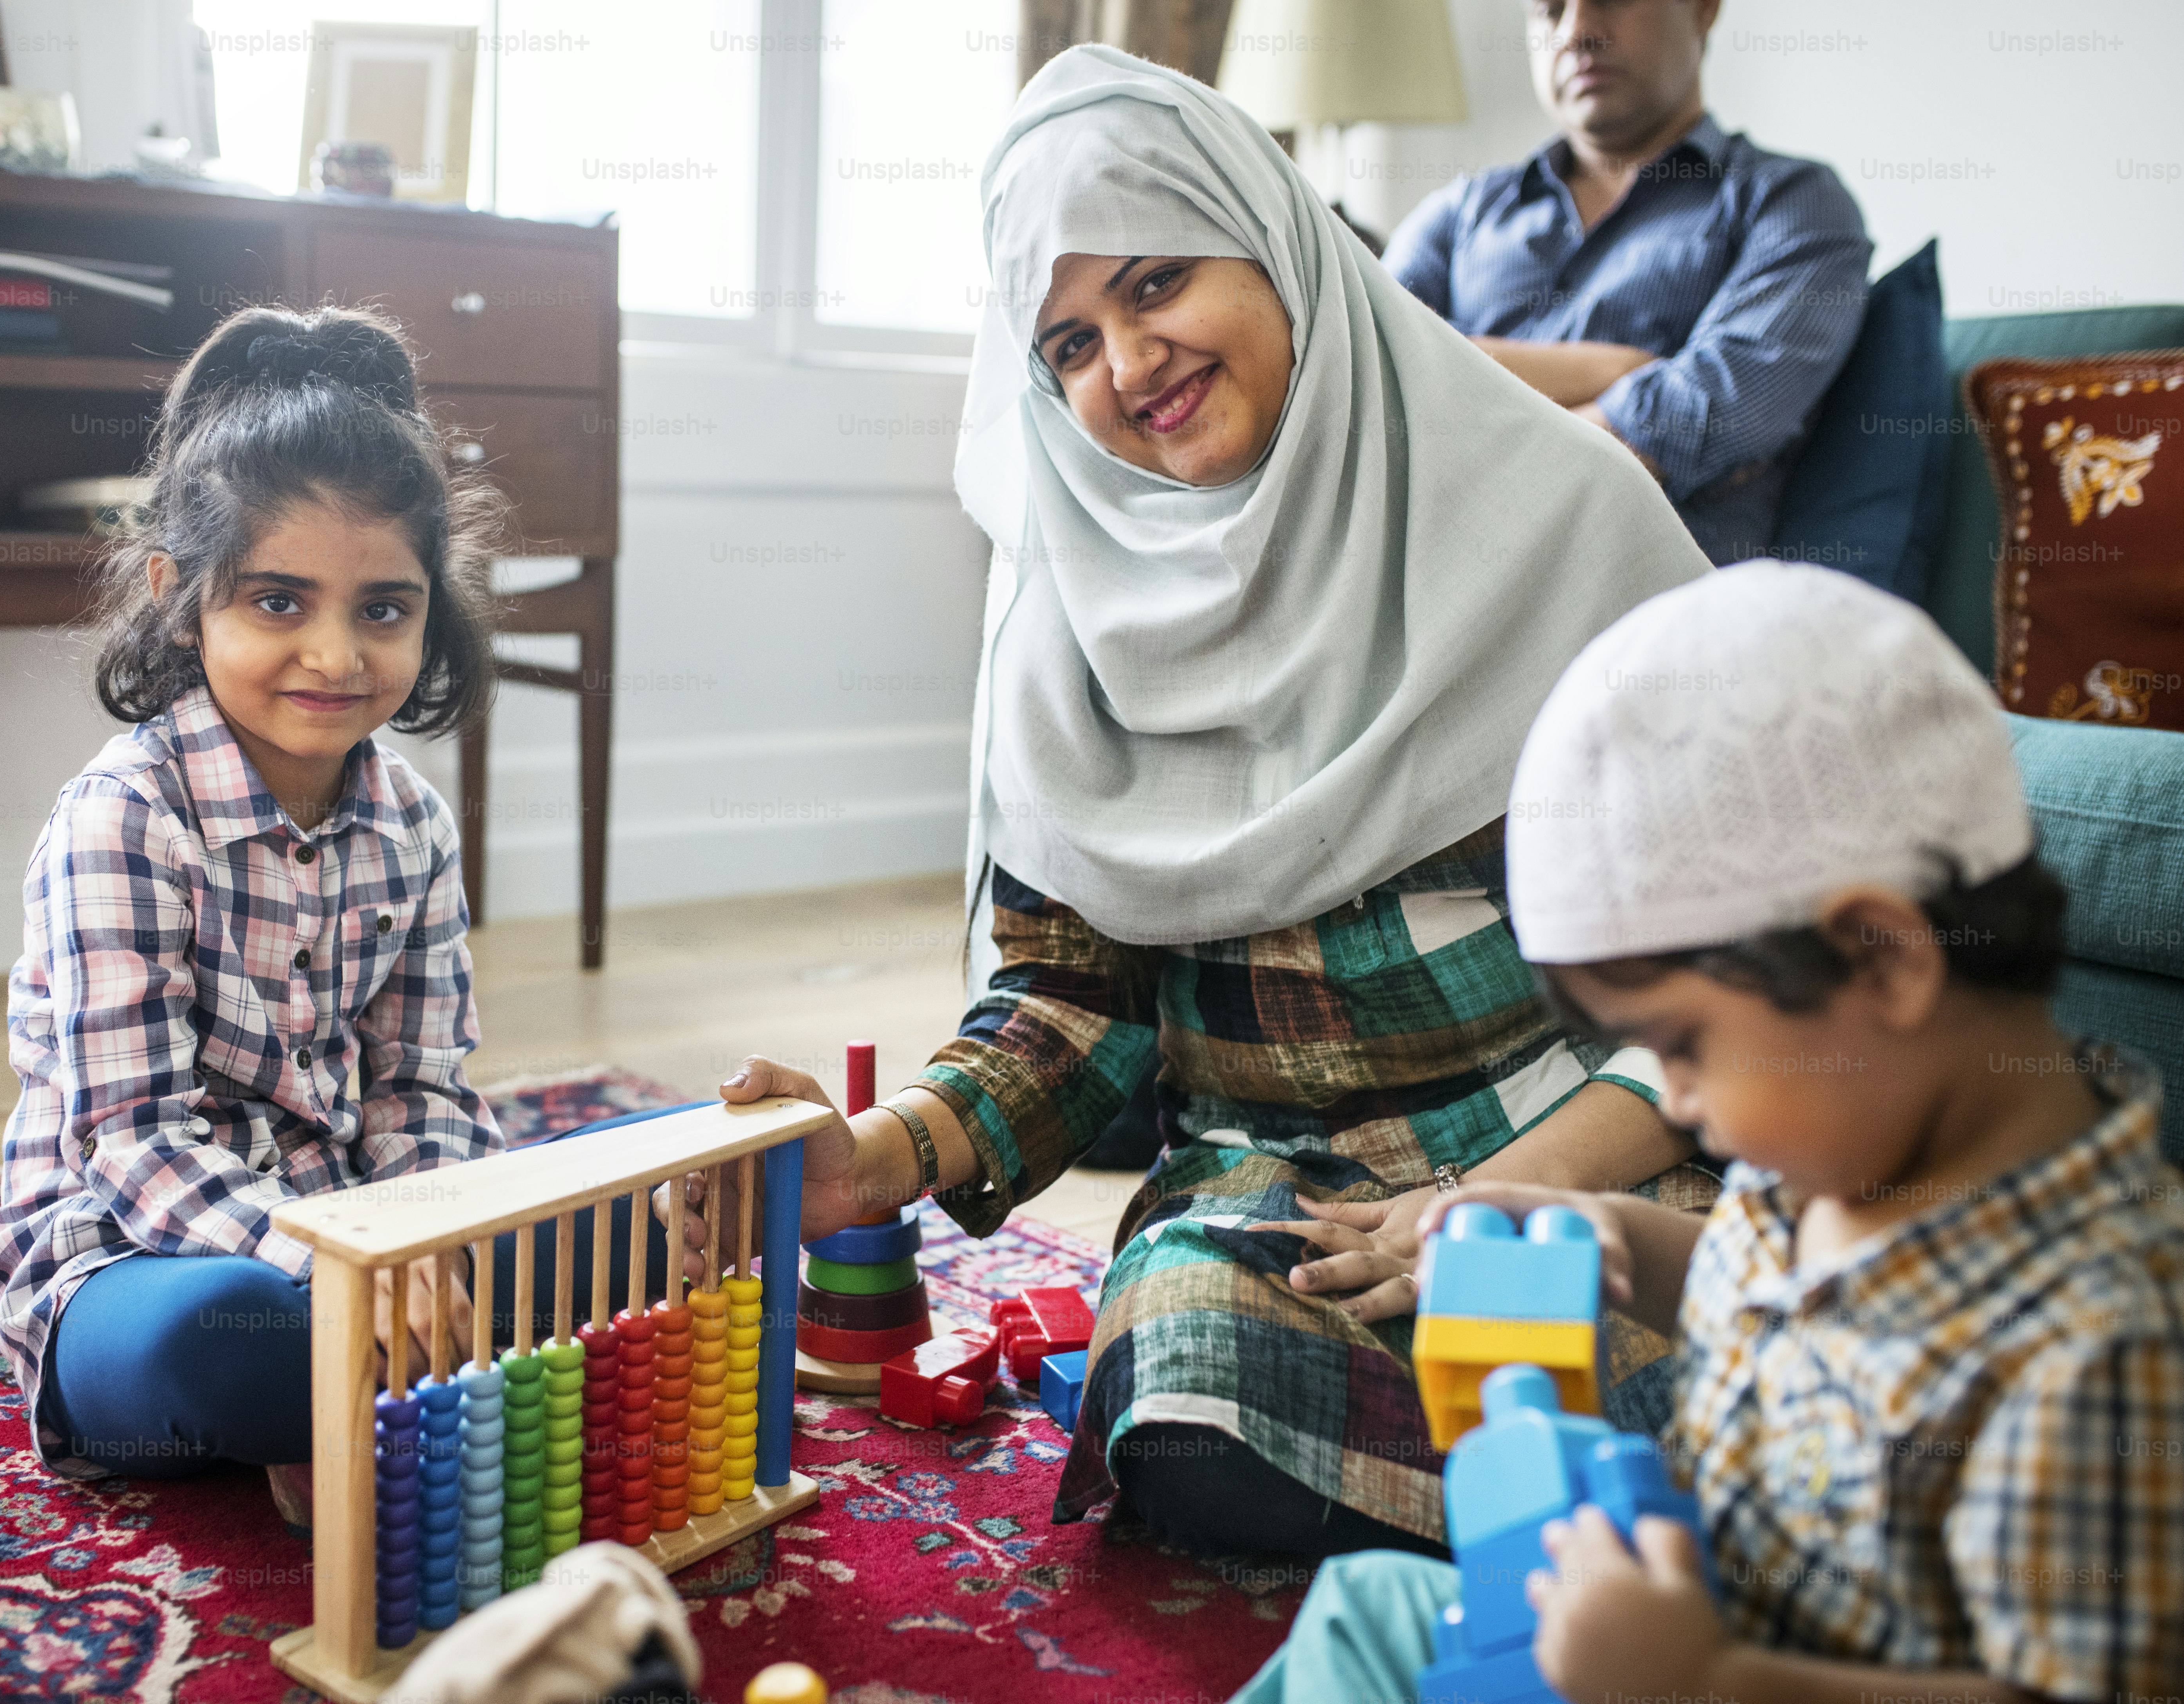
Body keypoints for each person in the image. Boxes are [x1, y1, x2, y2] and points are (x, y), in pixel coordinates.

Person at [722, 44, 1718, 1562]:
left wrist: (1497, 1201)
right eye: (1064, 343)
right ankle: (1611, 1516)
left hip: (1587, 1141)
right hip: (1287, 1187)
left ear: (1277, 241)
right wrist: (876, 1156)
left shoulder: (1568, 520)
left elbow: (1737, 982)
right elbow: (1071, 1006)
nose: (1126, 366)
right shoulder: (1059, 636)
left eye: (1156, 283)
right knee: (1181, 1390)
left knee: (1792, 1294)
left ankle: (1629, 1490)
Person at [1230, 562, 2184, 1700]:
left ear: (1884, 961)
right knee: (1372, 1614)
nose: (1672, 1099)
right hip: (1702, 1612)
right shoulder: (1841, 1148)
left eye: (1682, 1043)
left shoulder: (2093, 1344)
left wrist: (1706, 1678)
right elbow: (1760, 1284)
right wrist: (1608, 1234)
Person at [0, 307, 691, 1519]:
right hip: (148, 1268)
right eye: (275, 601)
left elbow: (422, 1093)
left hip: (378, 1239)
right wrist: (355, 1268)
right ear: (178, 593)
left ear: (430, 611)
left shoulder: (410, 821)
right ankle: (366, 1377)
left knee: (684, 1176)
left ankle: (378, 1381)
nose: (334, 653)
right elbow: (138, 1147)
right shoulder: (123, 819)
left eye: (381, 609)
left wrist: (443, 1237)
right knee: (217, 1342)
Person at [1381, 0, 1871, 565]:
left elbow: (1695, 417)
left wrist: (1451, 395)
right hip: (1427, 587)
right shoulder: (1456, 216)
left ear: (1704, 9)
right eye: (1549, 11)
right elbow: (1368, 377)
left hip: (1644, 608)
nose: (1578, 31)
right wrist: (1616, 371)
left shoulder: (1792, 205)